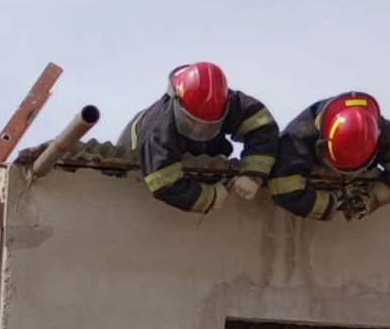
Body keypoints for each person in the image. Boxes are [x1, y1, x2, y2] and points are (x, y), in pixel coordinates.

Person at [119, 62, 279, 215]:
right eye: (192, 122)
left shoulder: (226, 101)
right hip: (136, 154)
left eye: (209, 124)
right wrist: (209, 197)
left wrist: (252, 174)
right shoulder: (158, 129)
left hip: (199, 149)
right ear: (178, 102)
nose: (199, 129)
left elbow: (263, 127)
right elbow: (164, 182)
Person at [268, 91, 390, 222]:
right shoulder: (296, 140)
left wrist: (371, 198)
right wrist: (334, 203)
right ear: (322, 143)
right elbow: (285, 193)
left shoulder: (386, 133)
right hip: (312, 176)